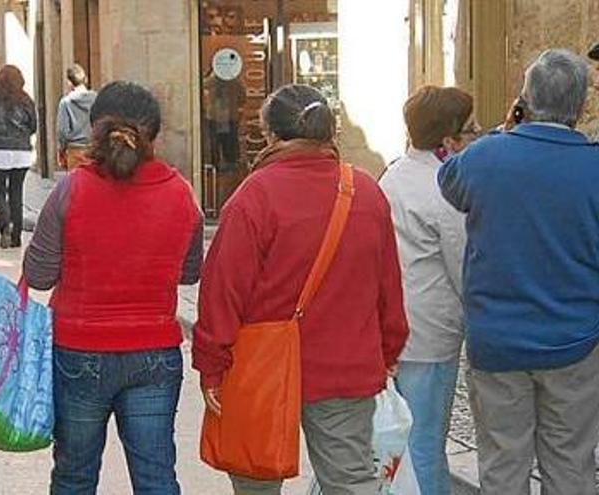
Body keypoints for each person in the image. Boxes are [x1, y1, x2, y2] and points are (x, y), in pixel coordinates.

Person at [193, 84, 408, 494]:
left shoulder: (253, 197)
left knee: (257, 481)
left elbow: (223, 292)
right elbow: (387, 285)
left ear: (271, 135)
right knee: (350, 482)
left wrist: (212, 365)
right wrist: (389, 349)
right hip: (345, 366)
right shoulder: (365, 192)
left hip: (262, 369)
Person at [24, 80, 203, 495]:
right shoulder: (180, 193)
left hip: (79, 351)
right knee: (157, 476)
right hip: (155, 354)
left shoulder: (72, 188)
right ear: (153, 133)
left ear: (94, 126)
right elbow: (189, 272)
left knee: (74, 476)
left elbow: (38, 275)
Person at [438, 49, 599, 494]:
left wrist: (506, 128)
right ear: (582, 106)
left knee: (503, 465)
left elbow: (449, 182)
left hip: (499, 342)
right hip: (575, 341)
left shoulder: (486, 156)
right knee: (570, 464)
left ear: (523, 100)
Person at [378, 86, 478, 494]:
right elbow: (463, 266)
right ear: (448, 140)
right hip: (432, 330)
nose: (477, 135)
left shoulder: (394, 174)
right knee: (425, 441)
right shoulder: (445, 189)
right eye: (470, 130)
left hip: (395, 325)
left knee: (402, 437)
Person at [0, 64, 37, 249]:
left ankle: (5, 226)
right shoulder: (26, 100)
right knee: (16, 192)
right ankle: (17, 235)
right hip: (21, 151)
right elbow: (33, 125)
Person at [55, 64, 96, 170]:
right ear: (85, 79)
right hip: (94, 149)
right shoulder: (96, 99)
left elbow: (63, 131)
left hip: (74, 150)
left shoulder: (65, 102)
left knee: (76, 184)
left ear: (69, 82)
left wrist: (62, 150)